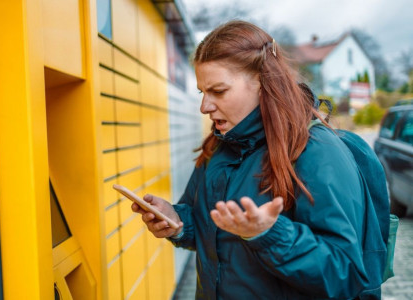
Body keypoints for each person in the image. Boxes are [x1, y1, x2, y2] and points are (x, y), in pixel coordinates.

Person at [131, 20, 386, 299]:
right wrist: (177, 222)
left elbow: (345, 273)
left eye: (218, 91)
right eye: (202, 92)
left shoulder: (318, 151)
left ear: (263, 84)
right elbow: (210, 231)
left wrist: (268, 234)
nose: (205, 106)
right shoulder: (218, 146)